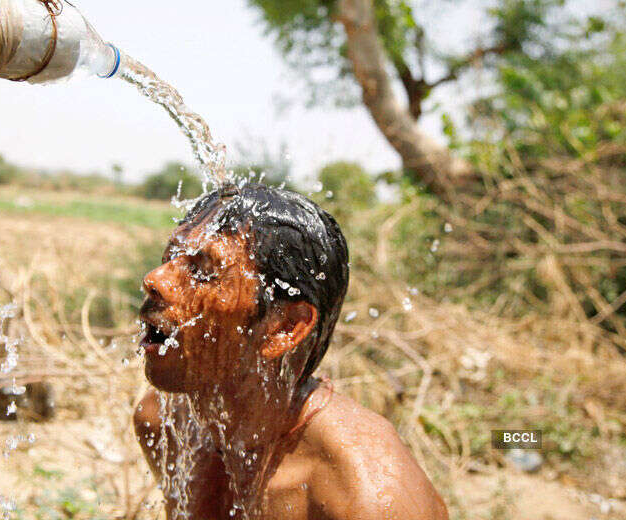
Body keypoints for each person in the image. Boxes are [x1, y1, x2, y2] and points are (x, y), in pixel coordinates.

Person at [133, 183, 447, 520]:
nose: (156, 279)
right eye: (171, 257)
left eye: (204, 270)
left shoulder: (368, 497)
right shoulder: (166, 421)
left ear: (284, 328)